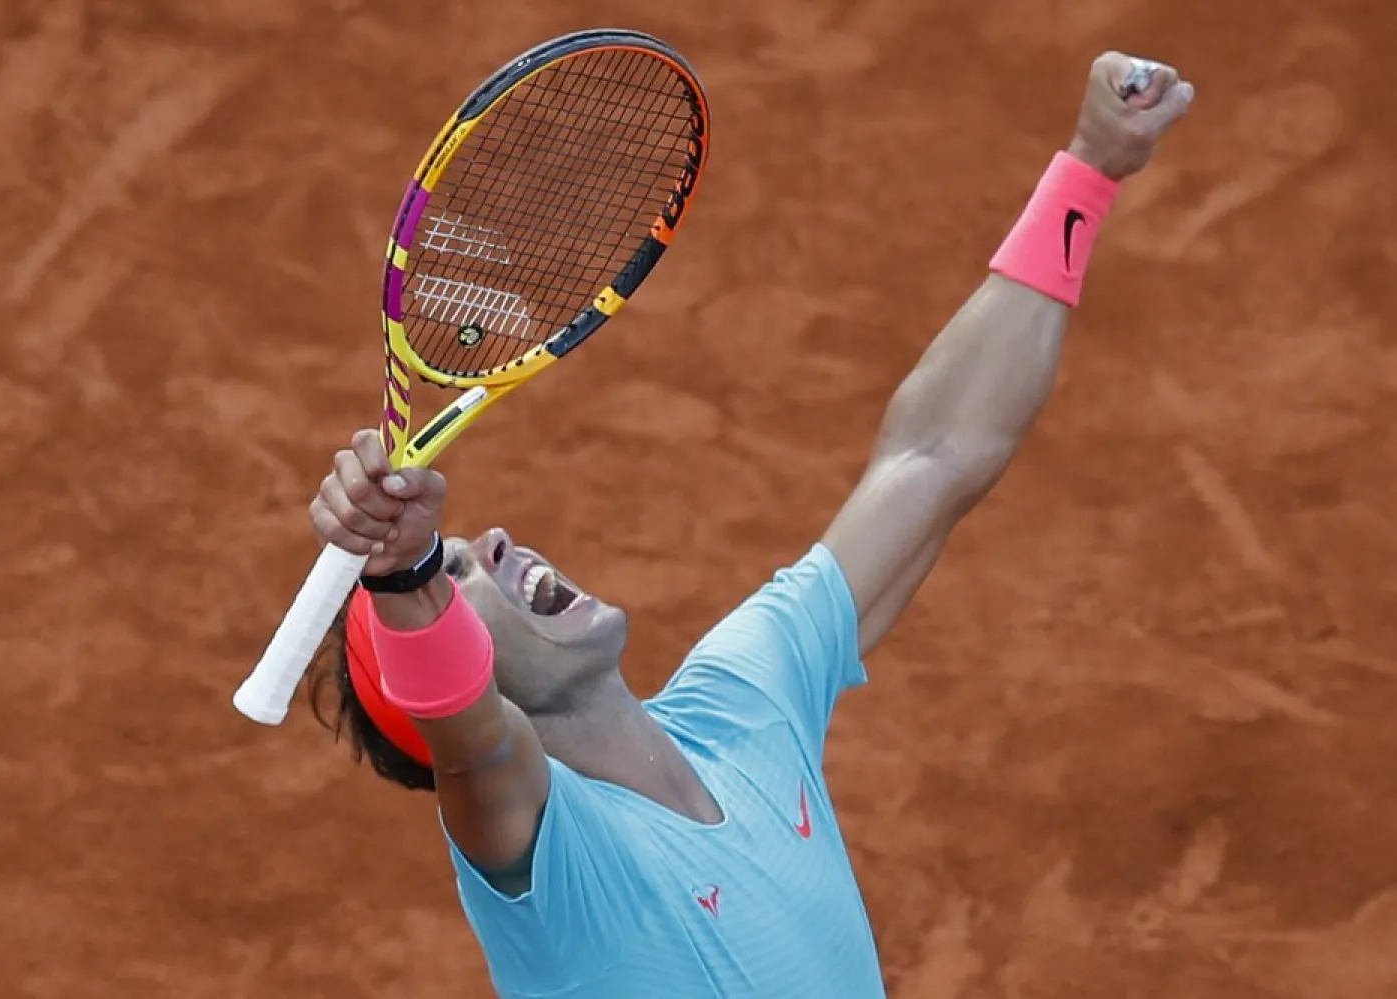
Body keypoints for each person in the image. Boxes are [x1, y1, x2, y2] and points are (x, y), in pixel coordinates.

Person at [302, 51, 1194, 999]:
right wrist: (401, 578)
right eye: (456, 576)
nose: (493, 543)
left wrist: (1089, 172)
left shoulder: (743, 701)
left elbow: (934, 458)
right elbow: (469, 733)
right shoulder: (548, 851)